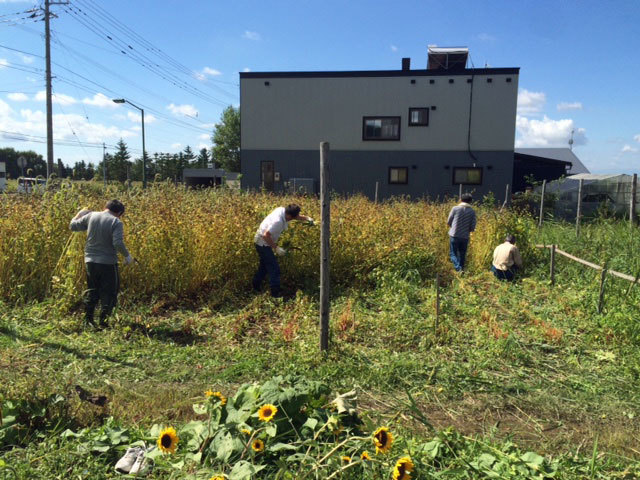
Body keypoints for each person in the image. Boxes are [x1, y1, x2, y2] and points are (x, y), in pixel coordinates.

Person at [69, 199, 134, 327]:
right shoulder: (116, 222)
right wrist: (127, 256)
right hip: (108, 263)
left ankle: (88, 320)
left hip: (90, 261)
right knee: (109, 292)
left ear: (106, 207)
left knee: (92, 290)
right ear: (119, 212)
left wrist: (79, 214)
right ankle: (103, 322)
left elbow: (72, 226)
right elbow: (117, 243)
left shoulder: (91, 216)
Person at [252, 204, 313, 297]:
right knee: (274, 268)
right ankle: (275, 293)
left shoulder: (282, 210)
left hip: (263, 242)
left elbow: (296, 216)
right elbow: (265, 235)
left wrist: (307, 218)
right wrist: (276, 248)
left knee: (264, 266)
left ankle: (255, 286)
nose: (292, 220)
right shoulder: (278, 221)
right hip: (262, 243)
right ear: (288, 215)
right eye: (291, 218)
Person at [447, 193, 477, 272]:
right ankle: (462, 269)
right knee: (462, 254)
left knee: (453, 253)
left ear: (461, 200)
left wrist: (452, 226)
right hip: (465, 236)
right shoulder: (472, 211)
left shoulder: (455, 209)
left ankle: (458, 269)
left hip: (454, 234)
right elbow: (473, 226)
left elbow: (449, 221)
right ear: (470, 201)